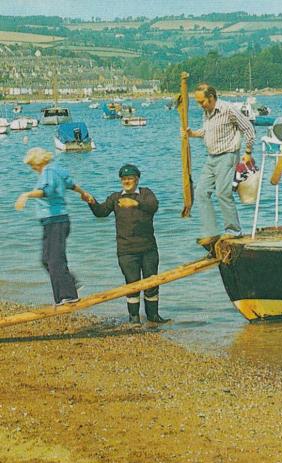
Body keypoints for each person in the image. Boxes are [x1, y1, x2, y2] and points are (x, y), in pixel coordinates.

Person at [84, 165, 169, 324]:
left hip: (148, 248)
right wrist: (91, 202)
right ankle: (134, 319)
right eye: (124, 179)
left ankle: (153, 316)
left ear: (137, 179)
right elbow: (101, 212)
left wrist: (135, 204)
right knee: (132, 284)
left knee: (152, 284)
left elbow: (153, 206)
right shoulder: (115, 198)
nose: (127, 181)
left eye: (130, 179)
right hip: (126, 250)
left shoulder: (146, 193)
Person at [15, 147, 91, 306]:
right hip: (54, 221)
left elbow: (46, 191)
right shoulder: (58, 170)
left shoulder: (48, 171)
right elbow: (71, 185)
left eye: (32, 165)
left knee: (55, 260)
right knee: (46, 260)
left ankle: (69, 295)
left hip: (56, 220)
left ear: (39, 162)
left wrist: (26, 194)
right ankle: (68, 285)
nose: (32, 169)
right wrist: (84, 194)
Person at [185, 84, 255, 246]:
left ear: (211, 98)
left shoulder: (228, 109)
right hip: (212, 157)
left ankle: (234, 231)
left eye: (202, 101)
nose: (200, 105)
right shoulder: (207, 112)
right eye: (198, 102)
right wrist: (192, 134)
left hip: (228, 155)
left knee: (223, 193)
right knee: (201, 192)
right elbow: (207, 131)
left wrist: (248, 152)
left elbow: (249, 129)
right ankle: (211, 232)